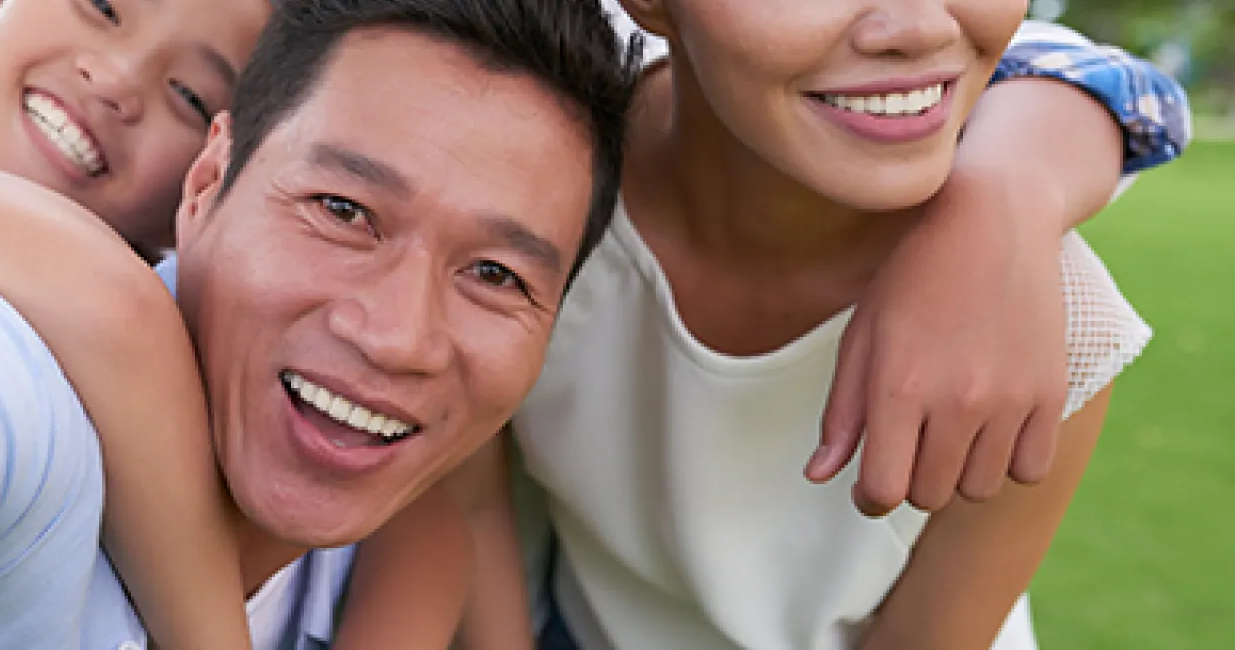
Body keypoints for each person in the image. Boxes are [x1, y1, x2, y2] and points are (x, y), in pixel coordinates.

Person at [0, 0, 638, 648]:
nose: (111, 79)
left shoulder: (350, 469)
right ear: (214, 183)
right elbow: (101, 315)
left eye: (188, 89)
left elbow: (449, 515)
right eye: (341, 208)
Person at [455, 1, 1191, 649]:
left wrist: (997, 197)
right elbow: (468, 502)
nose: (920, 25)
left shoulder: (1031, 307)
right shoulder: (535, 187)